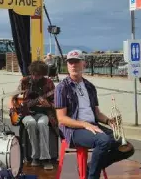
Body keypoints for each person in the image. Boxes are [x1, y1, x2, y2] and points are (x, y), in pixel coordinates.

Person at [54, 50, 134, 179]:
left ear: (83, 64)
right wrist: (84, 125)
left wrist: (108, 121)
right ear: (67, 65)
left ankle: (90, 167)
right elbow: (61, 119)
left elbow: (96, 113)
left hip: (92, 125)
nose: (73, 65)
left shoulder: (89, 86)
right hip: (74, 130)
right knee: (103, 141)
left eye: (76, 62)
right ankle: (93, 176)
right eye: (70, 62)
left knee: (127, 148)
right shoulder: (62, 87)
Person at [17, 60, 56, 170]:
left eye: (38, 75)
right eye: (33, 74)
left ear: (43, 74)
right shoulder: (24, 81)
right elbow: (15, 97)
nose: (35, 77)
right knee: (31, 123)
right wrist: (14, 107)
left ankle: (45, 158)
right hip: (26, 114)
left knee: (42, 124)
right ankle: (35, 157)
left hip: (43, 113)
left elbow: (56, 103)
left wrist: (48, 104)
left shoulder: (49, 83)